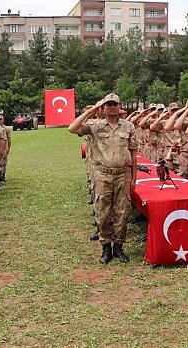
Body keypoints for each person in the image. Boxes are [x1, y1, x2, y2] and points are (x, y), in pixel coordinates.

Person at [69, 93, 137, 264]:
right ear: (103, 108)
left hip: (123, 174)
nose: (112, 107)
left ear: (119, 107)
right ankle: (106, 247)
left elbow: (133, 153)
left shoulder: (128, 126)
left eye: (115, 104)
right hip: (103, 175)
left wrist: (134, 178)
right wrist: (92, 109)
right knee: (103, 212)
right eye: (109, 105)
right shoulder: (94, 125)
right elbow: (72, 128)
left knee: (122, 212)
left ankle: (118, 247)